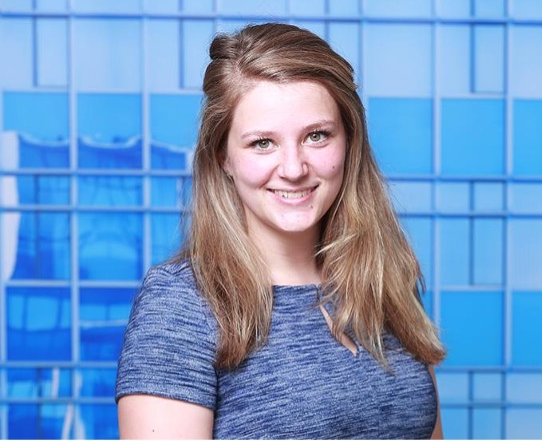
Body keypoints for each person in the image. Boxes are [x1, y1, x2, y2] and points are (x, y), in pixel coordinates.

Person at [116, 22, 446, 439]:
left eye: (316, 136)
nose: (293, 168)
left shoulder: (384, 277)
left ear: (350, 142)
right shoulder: (181, 303)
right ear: (223, 156)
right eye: (262, 143)